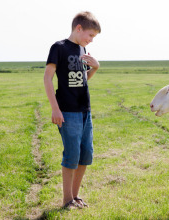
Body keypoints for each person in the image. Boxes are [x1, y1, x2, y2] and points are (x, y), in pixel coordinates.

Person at [44, 11, 101, 210]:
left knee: (85, 155)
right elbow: (47, 78)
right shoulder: (59, 48)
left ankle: (75, 197)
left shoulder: (82, 49)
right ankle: (66, 200)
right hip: (67, 112)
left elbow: (81, 79)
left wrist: (94, 68)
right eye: (90, 35)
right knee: (72, 155)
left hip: (85, 110)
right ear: (79, 28)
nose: (91, 40)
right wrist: (55, 109)